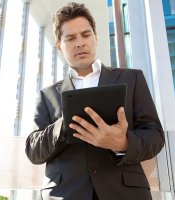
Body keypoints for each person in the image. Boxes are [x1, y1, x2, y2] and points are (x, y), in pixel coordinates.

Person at [25, 2, 164, 200]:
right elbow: (33, 150)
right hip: (66, 194)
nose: (80, 42)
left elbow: (155, 136)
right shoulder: (47, 95)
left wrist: (123, 142)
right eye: (71, 38)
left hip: (124, 193)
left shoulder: (132, 79)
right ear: (59, 46)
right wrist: (62, 126)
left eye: (86, 34)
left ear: (96, 37)